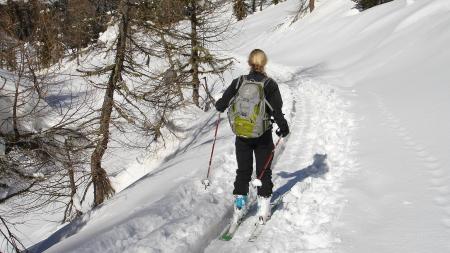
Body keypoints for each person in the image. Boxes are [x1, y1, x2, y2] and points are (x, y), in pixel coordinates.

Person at [215, 49, 289, 223]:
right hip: (262, 135)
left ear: (249, 63)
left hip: (242, 135)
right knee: (263, 172)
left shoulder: (239, 82)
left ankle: (239, 208)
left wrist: (220, 105)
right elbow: (277, 110)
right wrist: (283, 128)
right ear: (264, 63)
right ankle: (263, 210)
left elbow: (221, 104)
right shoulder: (269, 84)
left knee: (243, 171)